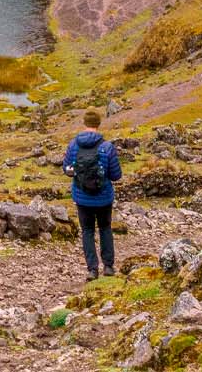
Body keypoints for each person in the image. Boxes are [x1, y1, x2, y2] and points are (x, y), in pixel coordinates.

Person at [63, 109, 122, 280]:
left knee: (87, 231)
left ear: (84, 123)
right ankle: (109, 266)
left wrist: (77, 173)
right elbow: (116, 175)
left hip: (82, 197)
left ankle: (92, 269)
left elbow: (66, 169)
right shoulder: (107, 147)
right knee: (105, 228)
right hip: (104, 197)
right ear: (98, 124)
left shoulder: (73, 145)